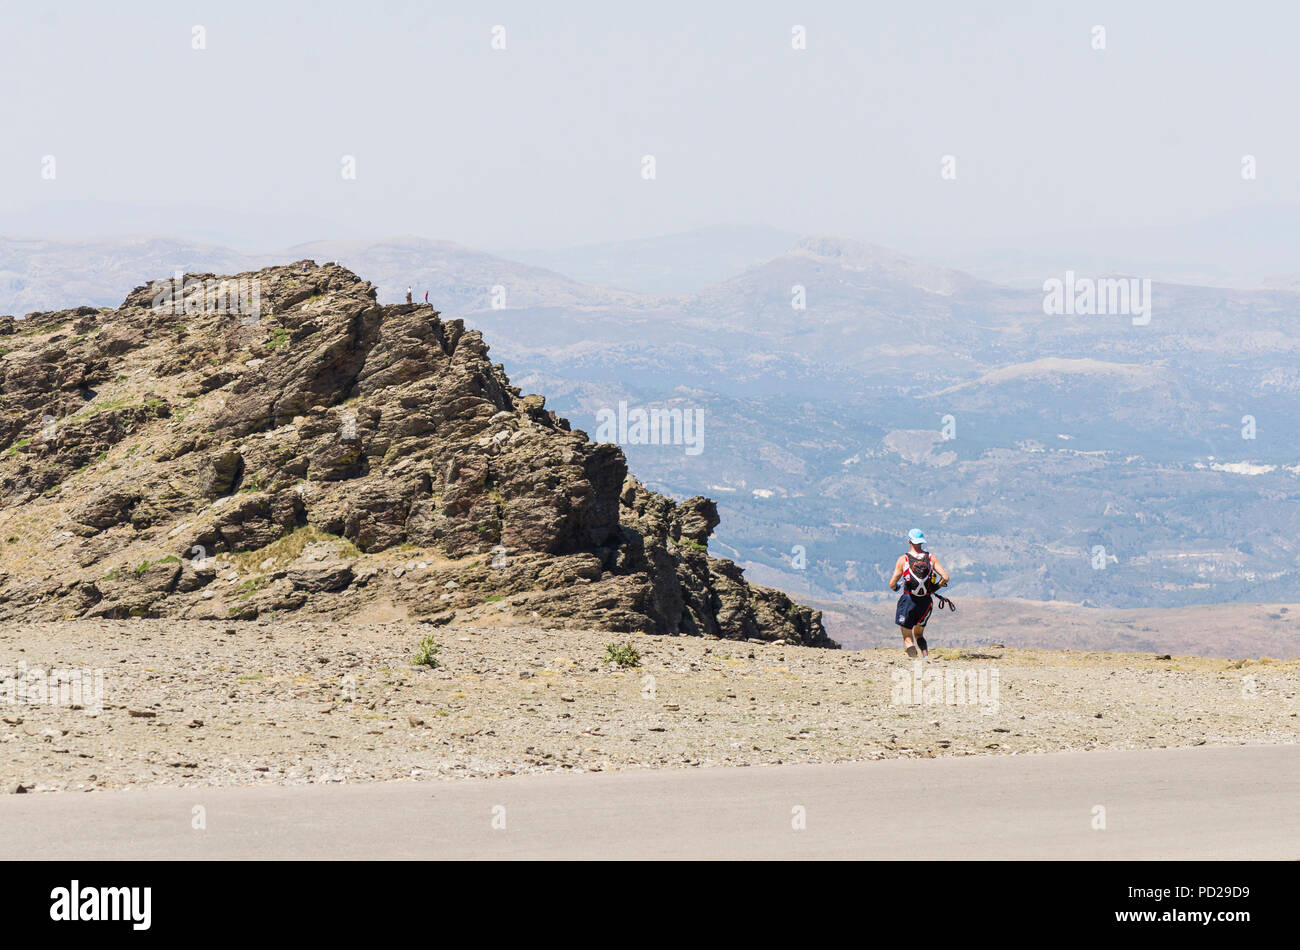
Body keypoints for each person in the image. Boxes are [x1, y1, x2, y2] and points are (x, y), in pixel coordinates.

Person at [888, 528, 950, 658]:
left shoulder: (903, 559)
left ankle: (915, 660)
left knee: (907, 636)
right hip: (926, 602)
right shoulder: (931, 558)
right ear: (922, 542)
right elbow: (945, 577)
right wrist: (934, 589)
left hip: (908, 600)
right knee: (919, 634)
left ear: (909, 541)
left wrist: (897, 587)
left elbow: (892, 584)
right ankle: (926, 656)